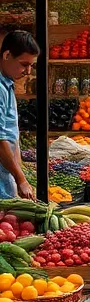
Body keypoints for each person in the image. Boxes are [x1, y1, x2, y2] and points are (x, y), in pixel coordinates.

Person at [0, 31, 37, 199]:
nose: (28, 71)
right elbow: (1, 140)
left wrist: (19, 175)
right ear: (7, 55)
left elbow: (11, 134)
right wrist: (20, 179)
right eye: (24, 64)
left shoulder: (8, 84)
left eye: (31, 65)